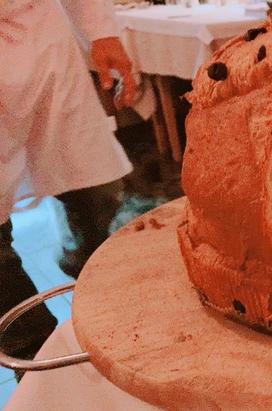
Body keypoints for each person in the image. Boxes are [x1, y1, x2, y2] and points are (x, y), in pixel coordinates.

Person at [0, 0, 137, 374]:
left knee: (96, 191)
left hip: (42, 35)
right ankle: (41, 366)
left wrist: (101, 30)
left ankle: (108, 308)